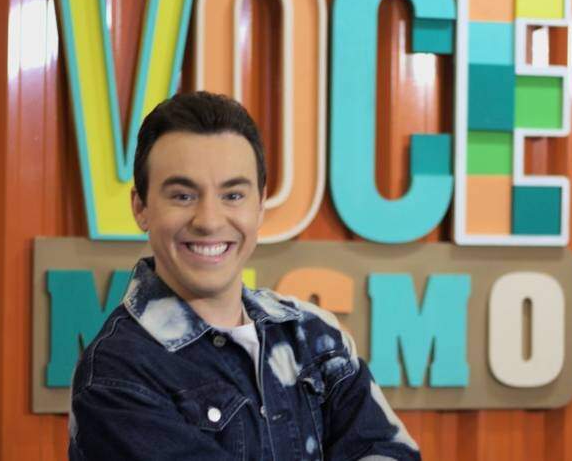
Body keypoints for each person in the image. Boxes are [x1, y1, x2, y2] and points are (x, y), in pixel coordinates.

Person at [68, 91, 421, 461]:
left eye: (233, 195)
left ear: (260, 205)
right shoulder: (115, 375)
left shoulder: (314, 336)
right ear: (141, 207)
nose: (209, 221)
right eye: (183, 196)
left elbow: (392, 452)